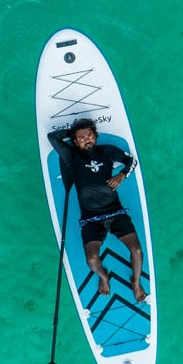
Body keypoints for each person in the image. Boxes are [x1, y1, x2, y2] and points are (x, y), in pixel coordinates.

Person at [47, 118, 146, 303]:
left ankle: (135, 281)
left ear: (96, 135)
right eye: (82, 137)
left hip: (116, 212)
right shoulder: (71, 155)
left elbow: (131, 161)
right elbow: (52, 137)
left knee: (137, 251)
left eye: (90, 135)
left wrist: (121, 175)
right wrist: (72, 132)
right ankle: (104, 276)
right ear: (75, 141)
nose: (87, 139)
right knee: (92, 260)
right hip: (90, 219)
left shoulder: (106, 151)